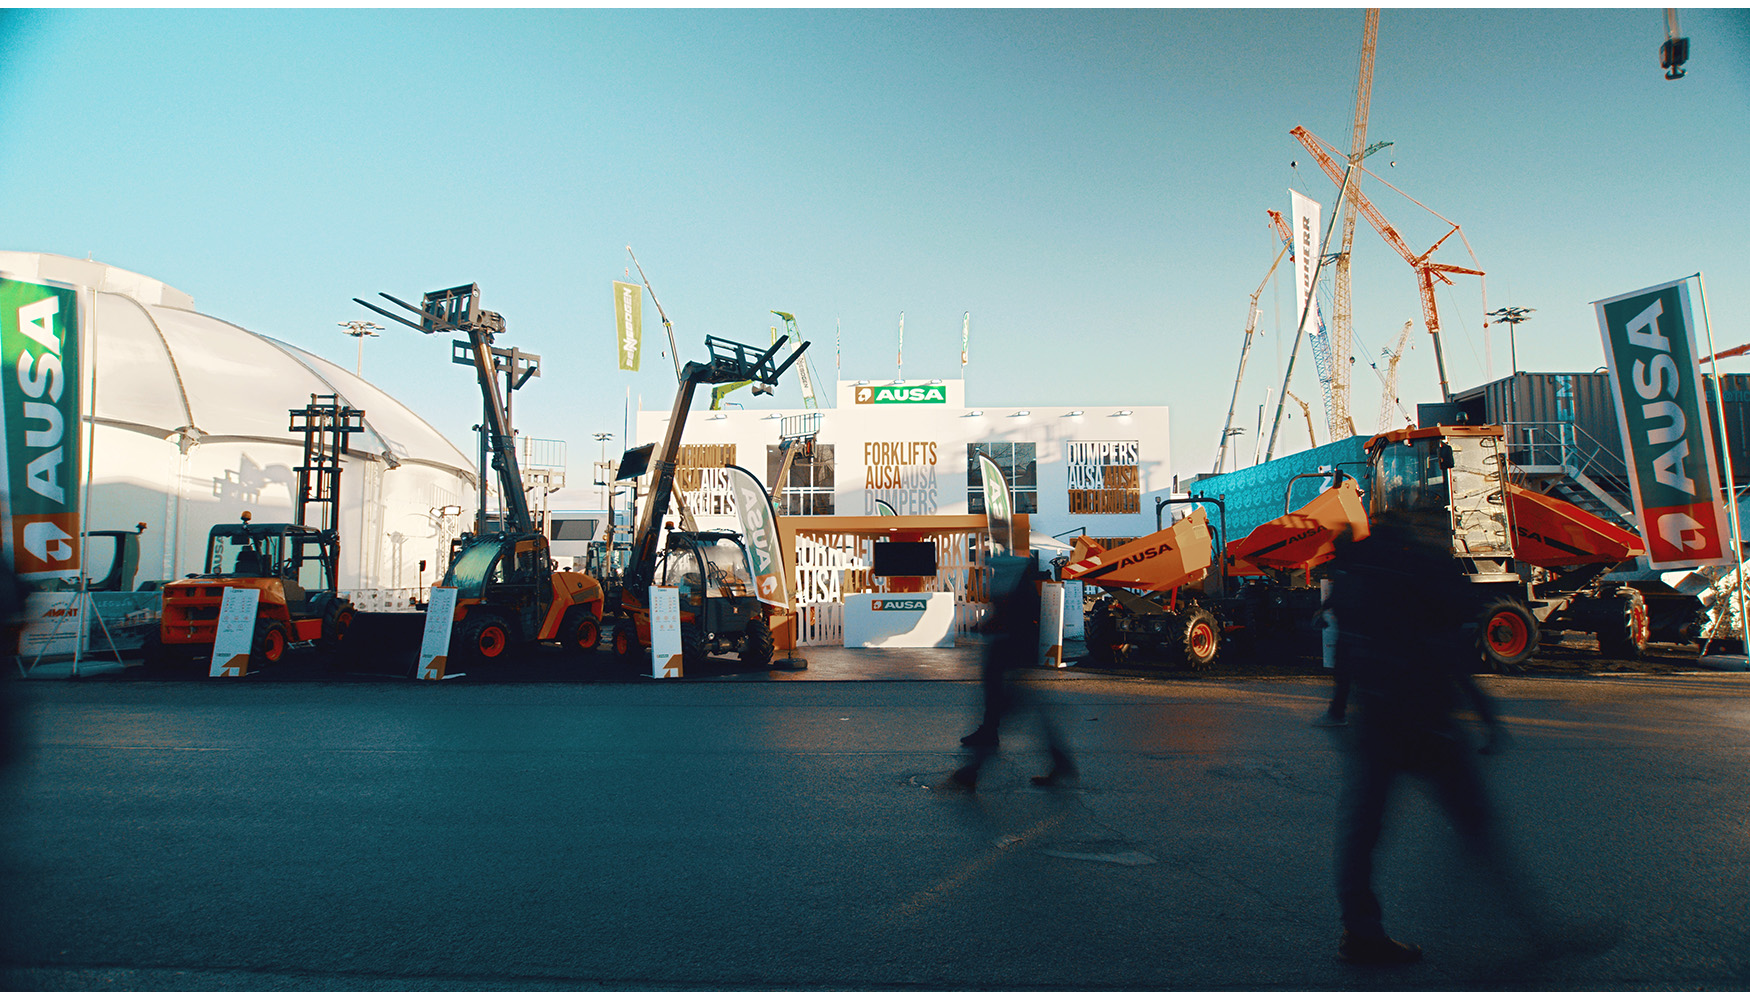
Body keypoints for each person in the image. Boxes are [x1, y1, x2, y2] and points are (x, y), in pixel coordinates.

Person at [1325, 518, 1522, 965]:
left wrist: (1340, 706)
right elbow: (1447, 649)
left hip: (1376, 718)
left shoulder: (1361, 574)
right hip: (1427, 719)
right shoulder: (1422, 572)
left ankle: (1360, 933)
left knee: (1362, 832)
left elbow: (1348, 646)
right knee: (1476, 825)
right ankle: (1528, 930)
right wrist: (1487, 715)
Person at [946, 554, 1075, 791]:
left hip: (1009, 655)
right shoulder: (1018, 586)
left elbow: (1009, 619)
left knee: (1001, 710)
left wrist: (982, 628)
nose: (990, 572)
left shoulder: (1014, 588)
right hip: (1009, 656)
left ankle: (973, 769)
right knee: (1012, 711)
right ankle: (1059, 761)